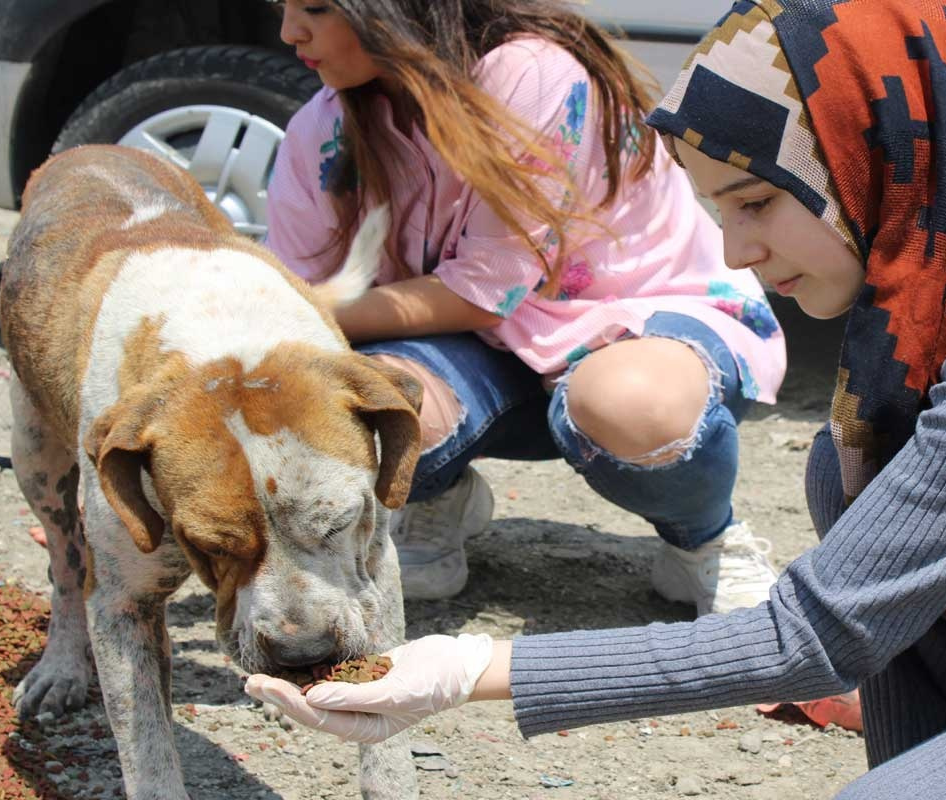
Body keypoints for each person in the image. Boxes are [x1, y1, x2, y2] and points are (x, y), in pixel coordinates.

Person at [248, 0, 946, 795]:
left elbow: (811, 632)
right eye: (715, 209)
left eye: (755, 202)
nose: (731, 253)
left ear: (870, 145)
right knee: (850, 480)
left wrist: (462, 671)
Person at [263, 0, 788, 612]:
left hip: (633, 323)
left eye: (316, 8)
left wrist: (307, 311)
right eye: (283, 7)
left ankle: (704, 540)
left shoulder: (530, 72)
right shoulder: (321, 128)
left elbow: (485, 290)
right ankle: (437, 495)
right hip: (473, 348)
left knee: (630, 404)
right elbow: (302, 297)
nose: (288, 32)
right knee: (341, 403)